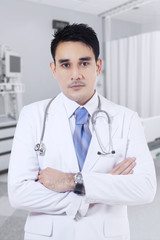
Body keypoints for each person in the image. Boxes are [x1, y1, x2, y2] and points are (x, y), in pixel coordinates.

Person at [8, 23, 157, 240]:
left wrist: (73, 180)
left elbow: (145, 189)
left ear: (98, 66)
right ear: (54, 69)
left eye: (84, 63)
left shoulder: (126, 119)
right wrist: (94, 191)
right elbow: (19, 194)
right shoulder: (32, 116)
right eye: (66, 65)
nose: (75, 74)